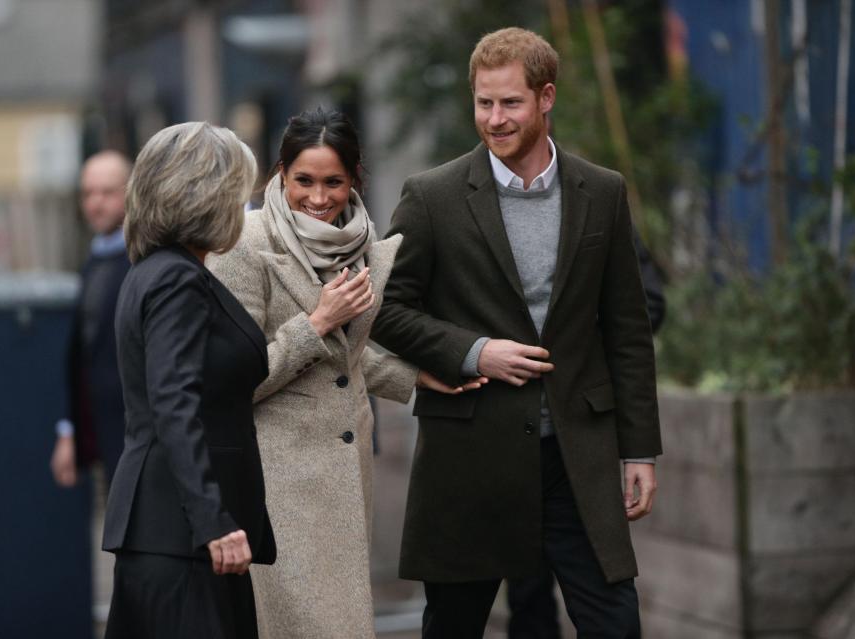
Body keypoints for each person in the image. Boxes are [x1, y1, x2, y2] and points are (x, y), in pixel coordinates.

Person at [370, 28, 662, 639]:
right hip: (470, 454)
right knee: (453, 625)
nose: (494, 119)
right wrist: (475, 352)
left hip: (573, 456)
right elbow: (386, 309)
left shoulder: (601, 192)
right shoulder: (432, 196)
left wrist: (638, 449)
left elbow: (628, 330)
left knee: (616, 623)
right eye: (483, 103)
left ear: (546, 97)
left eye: (510, 103)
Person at [206, 107, 484, 639]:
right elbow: (232, 378)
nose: (318, 197)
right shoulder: (245, 243)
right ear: (279, 175)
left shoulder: (361, 241)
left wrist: (415, 378)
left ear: (355, 177)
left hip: (347, 467)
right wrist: (317, 322)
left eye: (333, 181)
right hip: (277, 477)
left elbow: (345, 357)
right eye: (303, 181)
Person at [101, 122, 275, 639]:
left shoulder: (152, 270)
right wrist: (213, 520)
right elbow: (173, 403)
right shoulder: (176, 279)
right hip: (185, 540)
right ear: (210, 198)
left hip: (174, 535)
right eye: (237, 194)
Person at [505, 231, 666, 639]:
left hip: (578, 440)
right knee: (527, 591)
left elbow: (645, 306)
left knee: (607, 599)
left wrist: (572, 338)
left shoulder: (596, 201)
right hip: (506, 436)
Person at [50, 150, 132, 490]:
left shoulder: (142, 262)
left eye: (107, 192)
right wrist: (69, 431)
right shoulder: (96, 259)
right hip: (107, 434)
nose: (96, 203)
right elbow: (82, 353)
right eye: (88, 193)